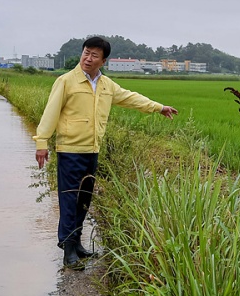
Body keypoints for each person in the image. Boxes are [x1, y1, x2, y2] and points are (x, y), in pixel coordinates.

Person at [34, 36, 178, 269]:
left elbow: (130, 98)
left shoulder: (106, 85)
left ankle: (77, 243)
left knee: (83, 200)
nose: (88, 59)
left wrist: (158, 107)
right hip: (70, 150)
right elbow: (51, 112)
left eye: (94, 55)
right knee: (70, 199)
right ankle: (68, 249)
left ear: (103, 61)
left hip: (92, 150)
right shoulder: (66, 81)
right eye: (86, 53)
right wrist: (42, 142)